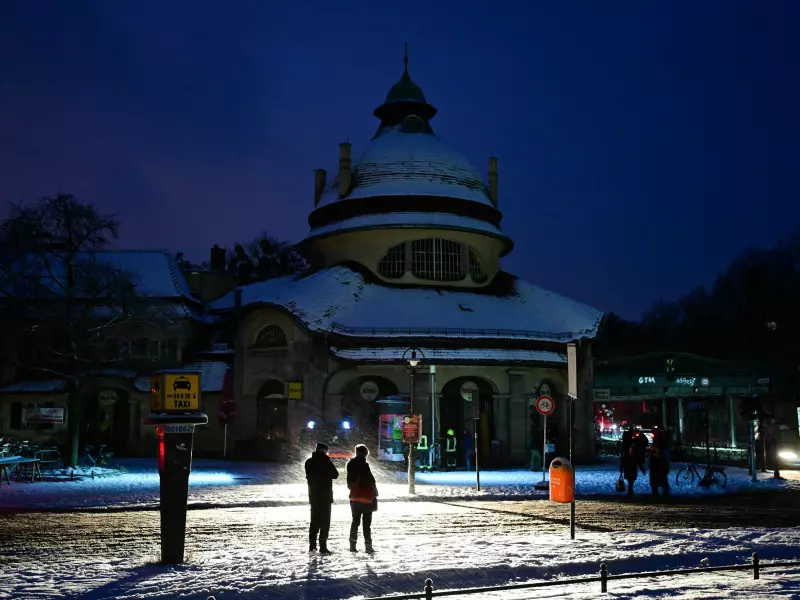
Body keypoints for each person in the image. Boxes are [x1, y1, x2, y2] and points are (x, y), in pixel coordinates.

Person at [305, 442, 339, 554]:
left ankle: (312, 546)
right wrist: (326, 460)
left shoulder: (309, 462)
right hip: (325, 496)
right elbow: (335, 475)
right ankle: (323, 547)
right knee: (325, 522)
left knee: (314, 521)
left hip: (314, 496)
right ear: (324, 451)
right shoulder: (326, 461)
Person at [347, 444, 377, 553]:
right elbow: (370, 481)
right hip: (366, 497)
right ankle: (368, 546)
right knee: (366, 523)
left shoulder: (350, 464)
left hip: (354, 497)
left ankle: (352, 545)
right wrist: (374, 488)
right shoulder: (364, 465)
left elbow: (349, 482)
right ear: (364, 453)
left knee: (355, 521)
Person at [648, 426, 671, 497]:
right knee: (661, 478)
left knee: (657, 478)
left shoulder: (658, 443)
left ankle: (657, 492)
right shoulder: (662, 442)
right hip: (659, 463)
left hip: (657, 463)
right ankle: (662, 491)